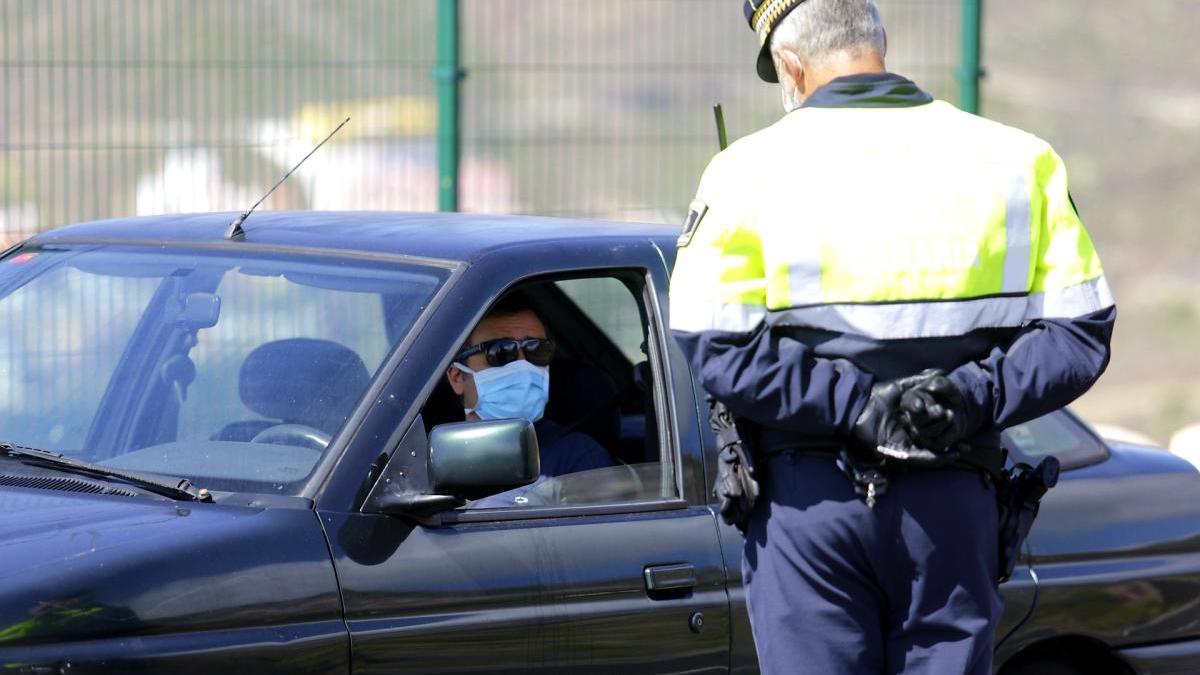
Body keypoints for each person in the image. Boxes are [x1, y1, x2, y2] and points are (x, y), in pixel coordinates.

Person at [668, 1, 1115, 673]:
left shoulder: (745, 171)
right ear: (879, 43)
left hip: (810, 503)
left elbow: (714, 343)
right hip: (954, 498)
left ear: (791, 64)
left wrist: (854, 405)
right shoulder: (1022, 162)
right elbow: (1082, 330)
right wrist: (970, 395)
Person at [445, 295, 613, 483]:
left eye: (537, 350)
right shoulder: (425, 457)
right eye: (500, 352)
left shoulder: (577, 459)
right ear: (457, 377)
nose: (523, 367)